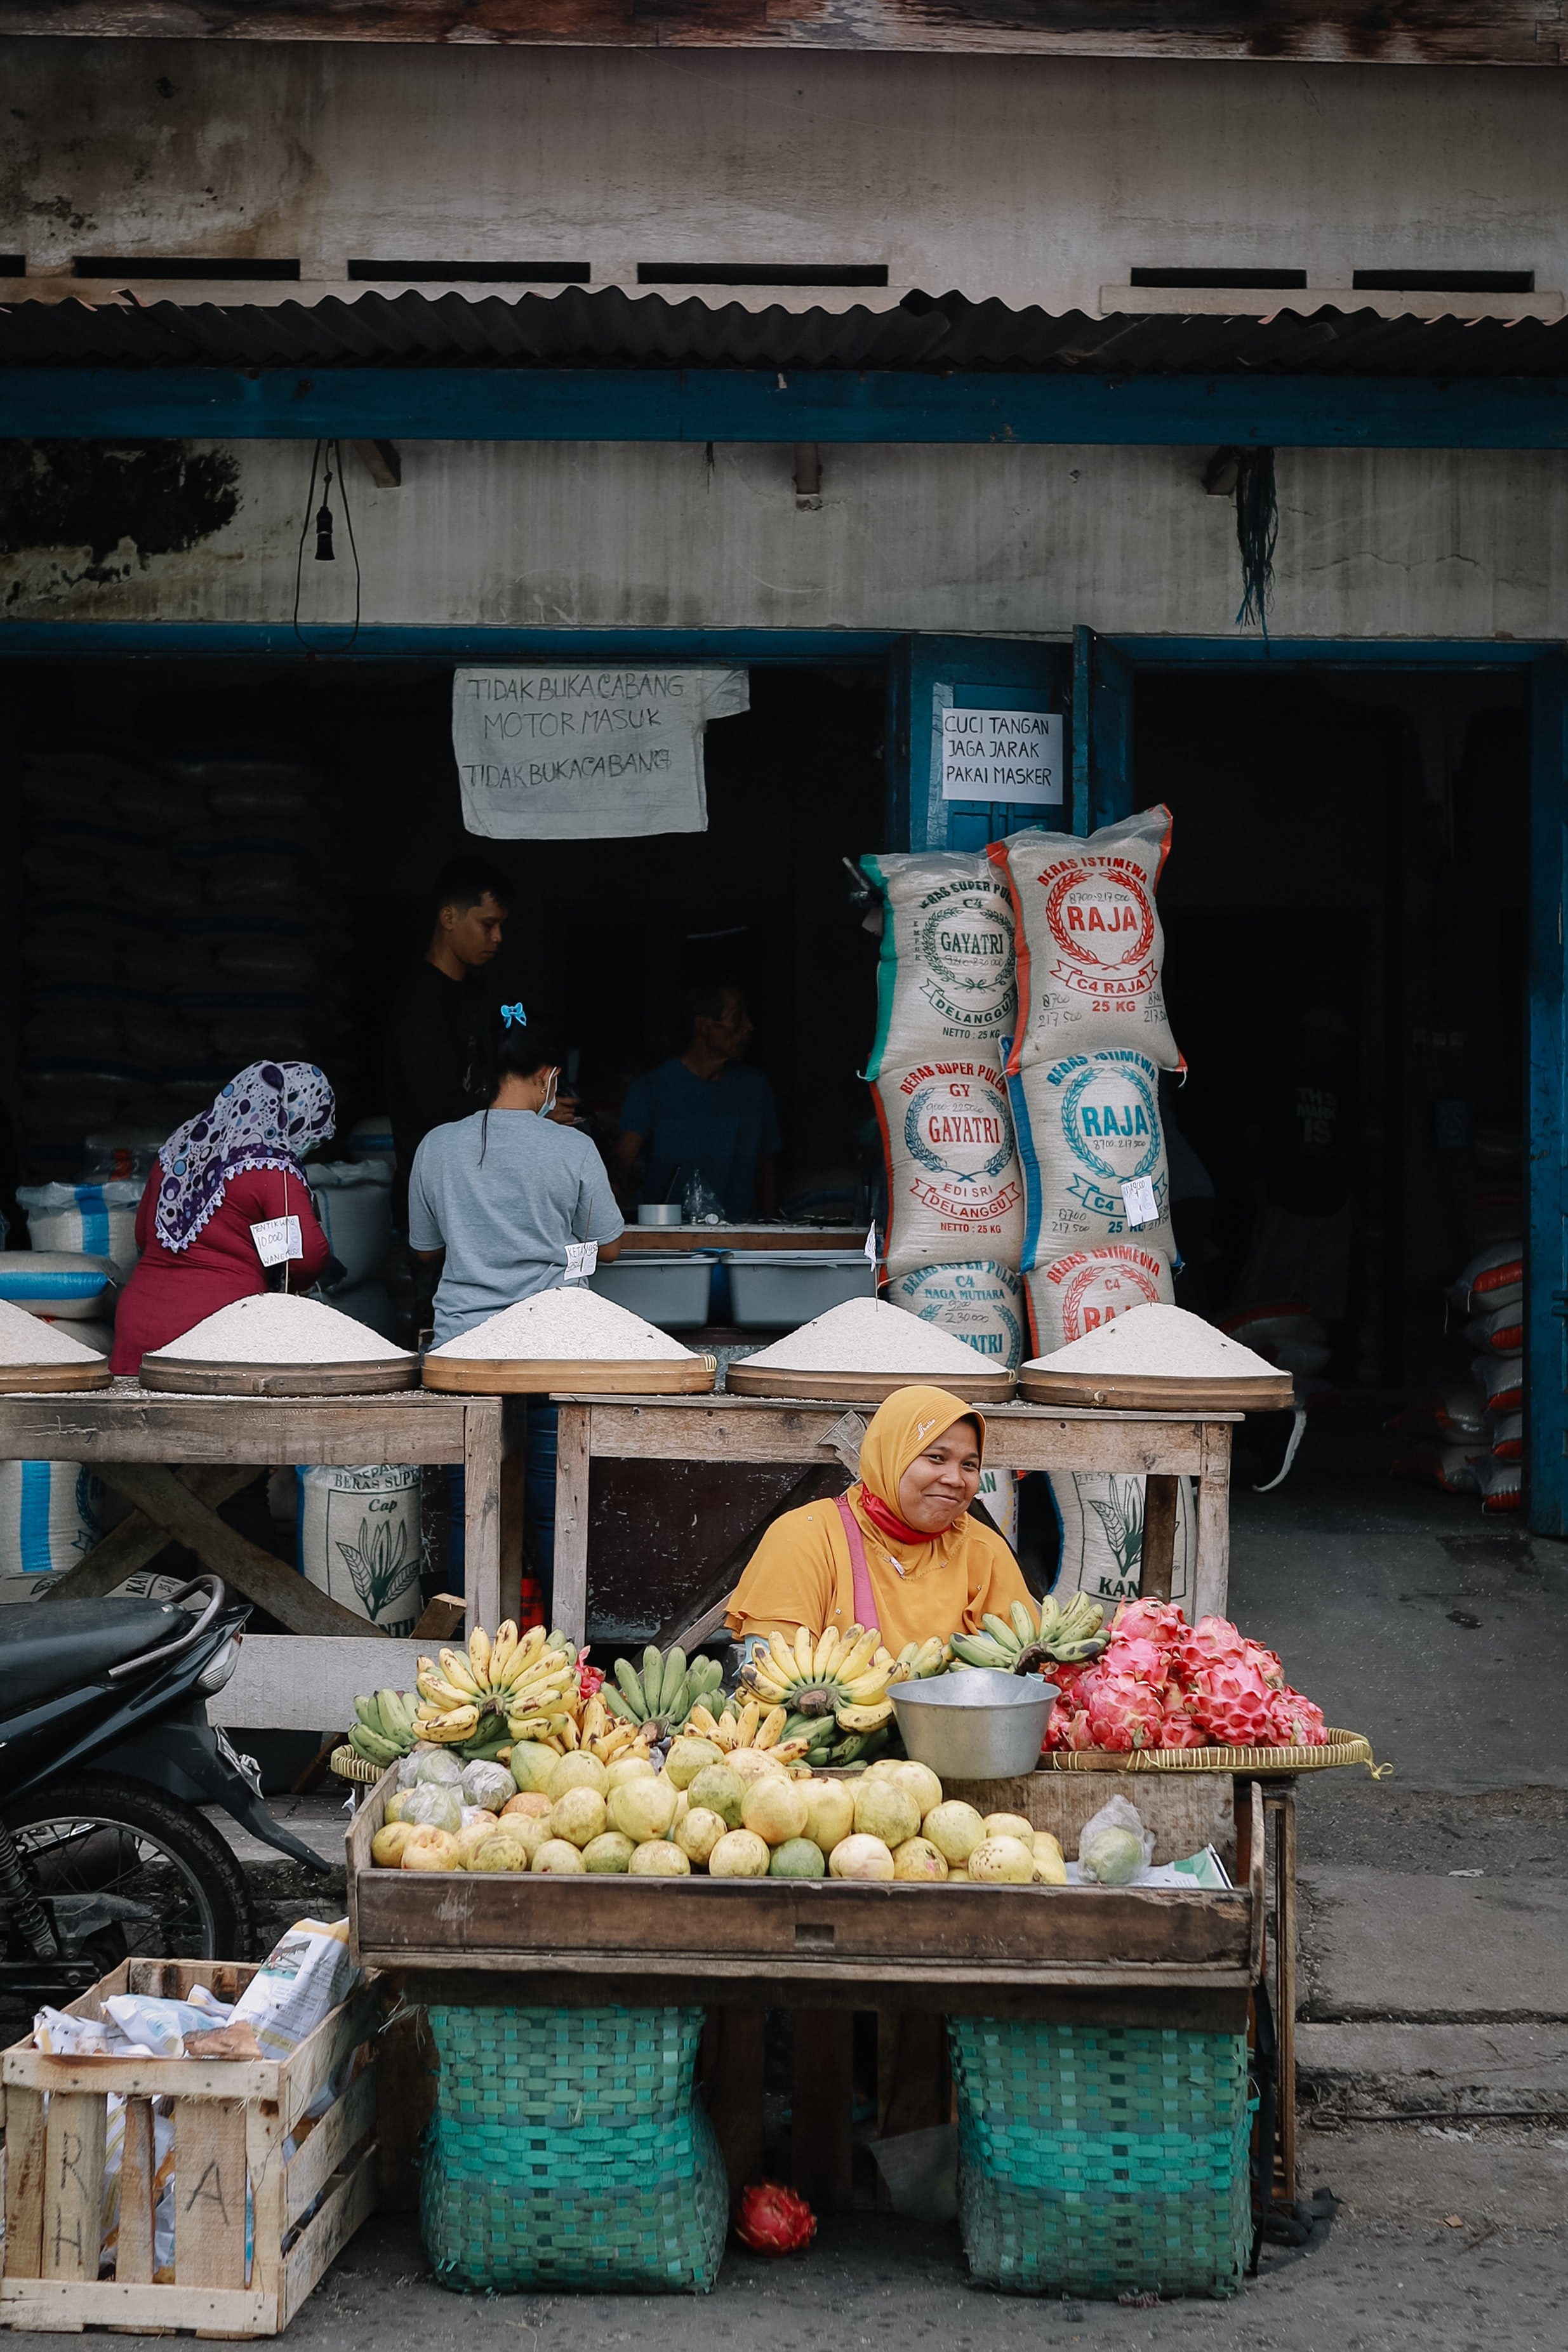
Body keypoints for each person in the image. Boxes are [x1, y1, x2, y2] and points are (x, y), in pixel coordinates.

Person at [725, 1386, 1033, 1652]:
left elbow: (1017, 1675)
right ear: (890, 1457)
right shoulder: (805, 1537)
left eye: (969, 1465)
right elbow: (776, 1675)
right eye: (936, 1458)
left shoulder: (985, 1551)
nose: (955, 1479)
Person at [110, 1061, 335, 1375]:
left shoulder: (181, 1148)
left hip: (137, 1324)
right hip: (214, 1334)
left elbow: (144, 1236)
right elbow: (301, 1261)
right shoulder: (272, 1169)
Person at [407, 1027, 625, 1347]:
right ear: (544, 1076)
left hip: (463, 1338)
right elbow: (609, 1249)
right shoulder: (575, 1147)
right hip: (555, 1336)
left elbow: (426, 1251)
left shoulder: (435, 1145)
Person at [383, 854, 512, 1230]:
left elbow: (499, 1079)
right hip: (434, 1202)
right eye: (489, 924)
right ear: (449, 918)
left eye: (502, 926)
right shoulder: (419, 1004)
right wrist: (527, 1115)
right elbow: (439, 1110)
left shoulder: (481, 996)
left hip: (480, 1197)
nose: (498, 937)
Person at [614, 982, 781, 1220]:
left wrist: (771, 1228)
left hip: (743, 1239)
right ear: (703, 1025)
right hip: (670, 1240)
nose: (748, 1027)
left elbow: (766, 1169)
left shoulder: (755, 1089)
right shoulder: (652, 1089)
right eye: (737, 1017)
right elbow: (622, 1166)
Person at [1237, 1006, 1357, 1339]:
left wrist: (1349, 1197)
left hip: (1329, 1201)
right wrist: (1258, 1184)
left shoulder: (1337, 1086)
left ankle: (1316, 1363)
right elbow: (1253, 1137)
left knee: (1324, 1294)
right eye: (1326, 1040)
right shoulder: (1277, 1080)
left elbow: (1345, 1145)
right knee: (1270, 1289)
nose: (1330, 1050)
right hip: (1285, 1198)